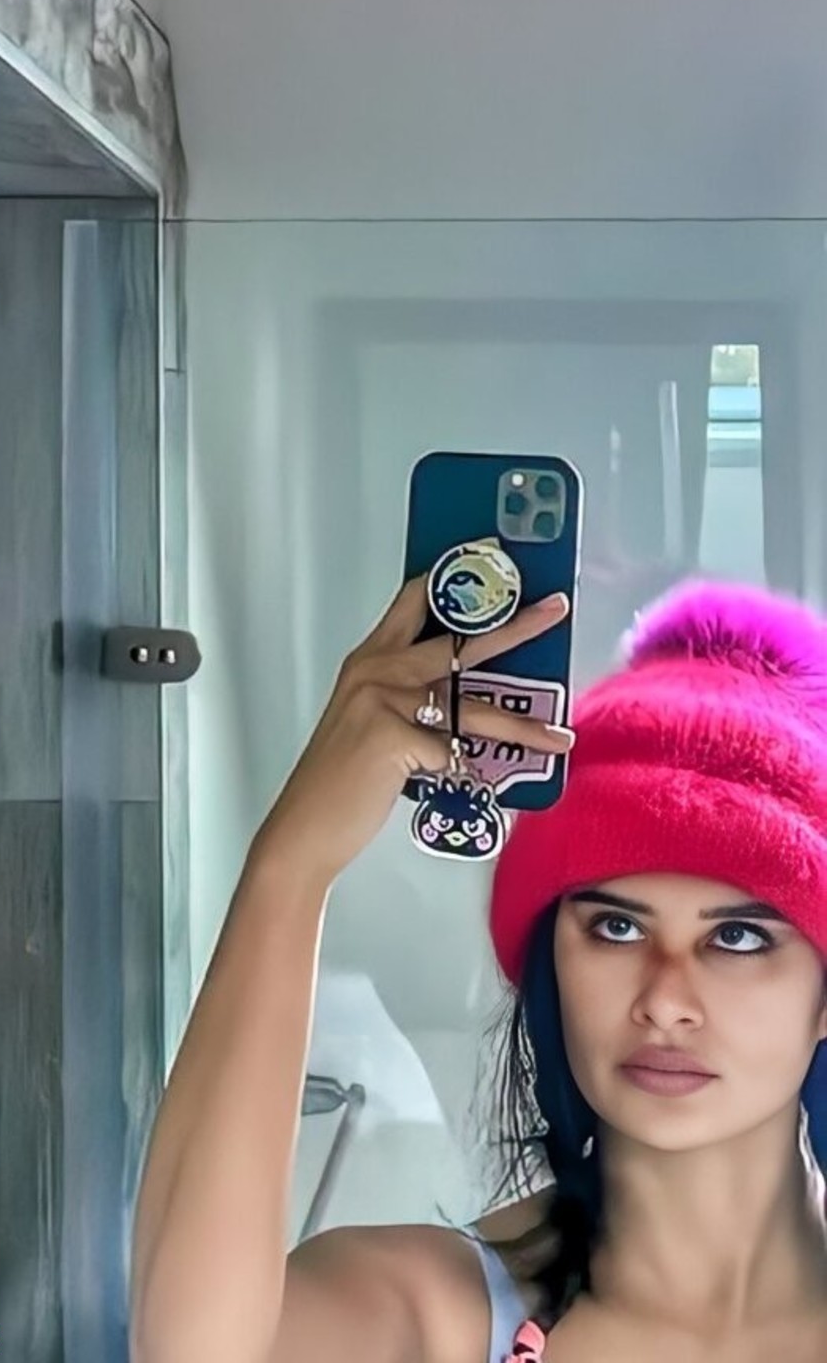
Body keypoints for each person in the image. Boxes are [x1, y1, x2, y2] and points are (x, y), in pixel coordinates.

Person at [129, 573, 827, 1363]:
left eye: (737, 938)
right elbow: (194, 1351)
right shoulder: (440, 1318)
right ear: (551, 958)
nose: (666, 1001)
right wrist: (292, 868)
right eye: (616, 927)